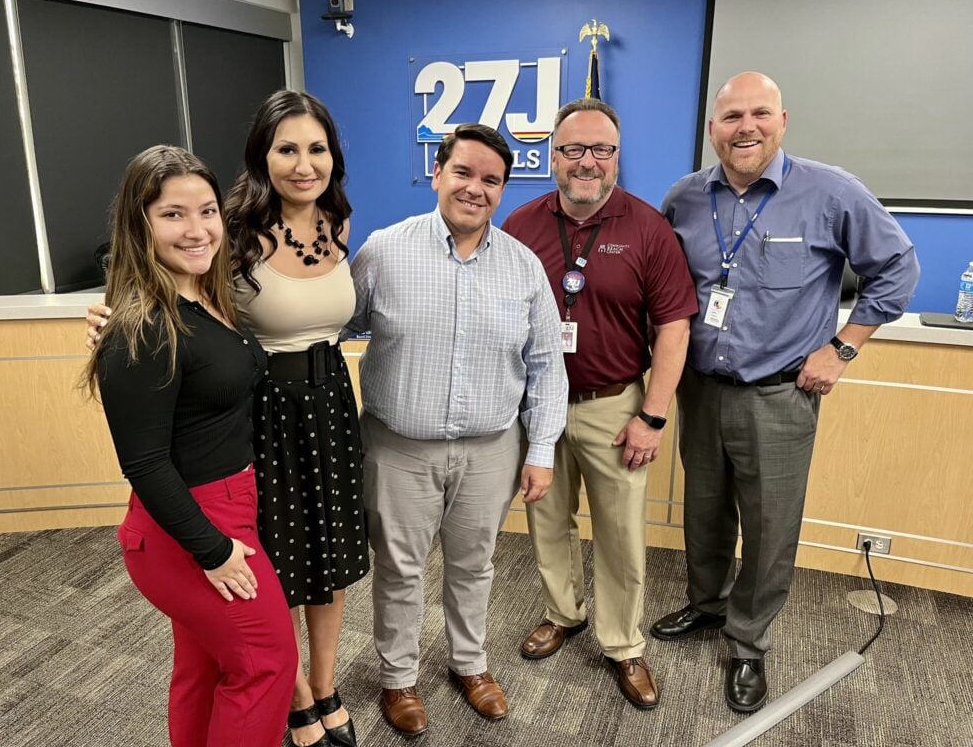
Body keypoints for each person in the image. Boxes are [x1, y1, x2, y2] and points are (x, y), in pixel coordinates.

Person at [87, 91, 367, 747]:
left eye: (317, 147)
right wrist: (111, 309)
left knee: (217, 654)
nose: (197, 229)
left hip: (321, 417)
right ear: (261, 159)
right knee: (266, 646)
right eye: (286, 148)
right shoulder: (227, 246)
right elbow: (146, 450)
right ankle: (299, 705)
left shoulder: (327, 230)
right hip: (249, 444)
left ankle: (323, 691)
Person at [652, 71, 920, 712]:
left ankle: (748, 642)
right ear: (712, 128)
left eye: (759, 114)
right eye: (732, 116)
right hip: (699, 390)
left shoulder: (830, 192)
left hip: (778, 395)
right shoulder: (684, 198)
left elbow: (898, 266)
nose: (746, 127)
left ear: (782, 119)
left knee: (770, 527)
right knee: (704, 512)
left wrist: (843, 347)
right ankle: (708, 604)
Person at [345, 123, 568, 737]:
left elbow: (548, 363)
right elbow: (333, 326)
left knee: (475, 565)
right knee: (399, 568)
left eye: (491, 180)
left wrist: (542, 448)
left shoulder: (523, 267)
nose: (476, 188)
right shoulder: (384, 251)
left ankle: (470, 665)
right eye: (464, 173)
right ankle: (399, 678)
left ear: (502, 190)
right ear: (437, 173)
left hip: (491, 449)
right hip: (397, 449)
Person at [82, 145, 297, 747]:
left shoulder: (202, 296)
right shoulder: (144, 324)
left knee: (204, 669)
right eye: (173, 214)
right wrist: (212, 551)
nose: (197, 229)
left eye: (207, 211)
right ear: (140, 222)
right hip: (189, 526)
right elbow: (144, 462)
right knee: (265, 662)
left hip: (223, 506)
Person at [502, 98, 696, 710]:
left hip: (615, 405)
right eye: (573, 150)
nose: (588, 162)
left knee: (620, 534)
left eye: (602, 150)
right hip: (537, 408)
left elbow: (675, 326)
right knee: (546, 520)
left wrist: (652, 414)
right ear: (552, 156)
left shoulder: (648, 228)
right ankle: (564, 612)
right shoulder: (522, 225)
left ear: (617, 157)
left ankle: (622, 643)